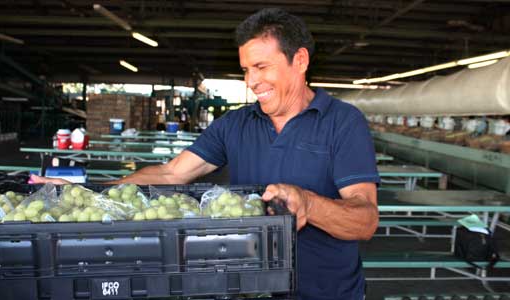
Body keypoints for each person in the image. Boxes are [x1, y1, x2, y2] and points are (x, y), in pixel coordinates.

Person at [33, 8, 380, 300]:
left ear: (299, 60)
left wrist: (308, 203)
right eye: (246, 69)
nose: (251, 81)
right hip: (251, 289)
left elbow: (365, 220)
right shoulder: (235, 124)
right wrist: (90, 193)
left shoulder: (342, 123)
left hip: (328, 292)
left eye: (261, 67)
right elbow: (171, 175)